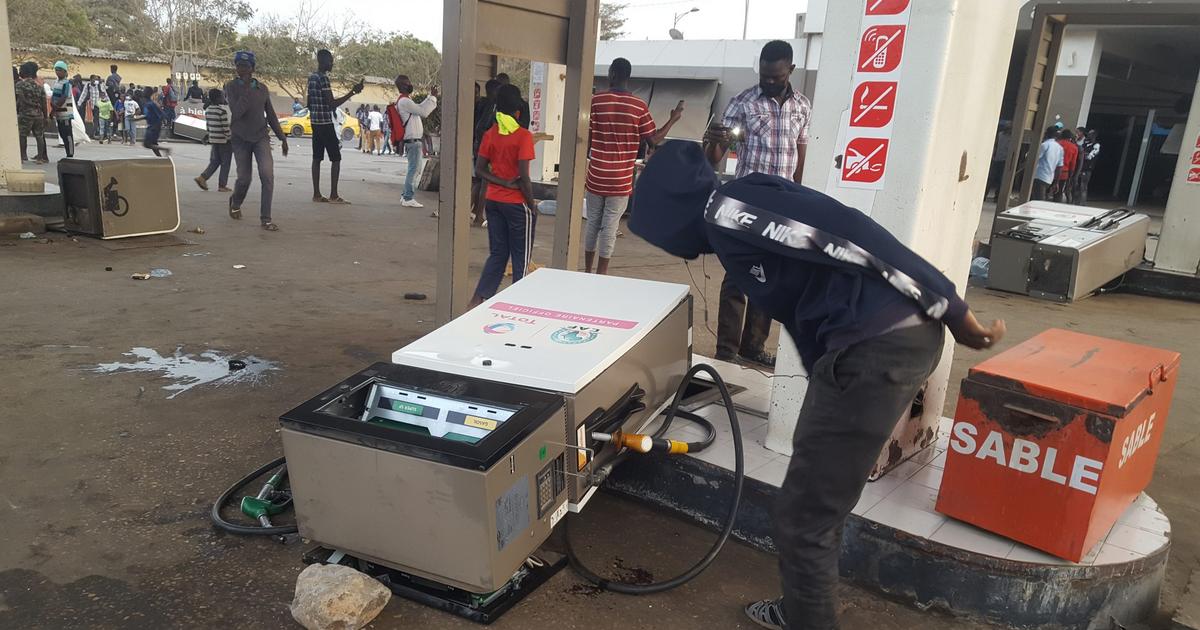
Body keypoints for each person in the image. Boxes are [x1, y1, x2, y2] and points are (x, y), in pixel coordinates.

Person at [629, 140, 1005, 630]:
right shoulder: (727, 234)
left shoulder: (728, 208)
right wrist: (821, 384)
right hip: (862, 354)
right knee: (810, 505)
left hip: (876, 348)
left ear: (668, 211)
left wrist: (952, 307)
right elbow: (801, 315)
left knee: (804, 520)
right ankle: (800, 609)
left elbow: (851, 230)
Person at [703, 40, 812, 369]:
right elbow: (715, 158)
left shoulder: (803, 106)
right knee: (738, 274)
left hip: (783, 205)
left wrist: (799, 195)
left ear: (790, 70)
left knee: (770, 277)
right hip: (747, 204)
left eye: (775, 77)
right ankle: (726, 349)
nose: (768, 82)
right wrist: (714, 141)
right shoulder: (743, 103)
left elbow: (801, 152)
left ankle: (754, 346)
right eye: (764, 76)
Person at [584, 57, 683, 275]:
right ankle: (601, 275)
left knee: (592, 223)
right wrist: (673, 119)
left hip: (596, 175)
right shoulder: (638, 106)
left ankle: (587, 271)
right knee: (610, 226)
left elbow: (587, 137)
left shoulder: (595, 101)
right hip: (620, 179)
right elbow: (653, 140)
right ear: (629, 77)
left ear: (611, 74)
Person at [469, 84, 536, 307]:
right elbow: (524, 177)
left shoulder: (491, 134)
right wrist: (531, 203)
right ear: (518, 112)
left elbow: (479, 170)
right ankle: (518, 304)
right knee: (521, 258)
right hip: (517, 204)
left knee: (498, 254)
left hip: (493, 202)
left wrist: (500, 182)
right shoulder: (523, 136)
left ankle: (478, 298)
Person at [225, 50, 288, 231]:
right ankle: (235, 202)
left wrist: (282, 137)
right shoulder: (231, 87)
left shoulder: (262, 89)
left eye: (245, 66)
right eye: (238, 66)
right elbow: (237, 112)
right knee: (244, 178)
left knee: (267, 175)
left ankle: (266, 219)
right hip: (240, 139)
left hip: (260, 137)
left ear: (253, 68)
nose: (241, 69)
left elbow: (271, 115)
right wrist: (246, 89)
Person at [306, 49, 363, 204]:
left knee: (316, 158)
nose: (332, 63)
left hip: (315, 123)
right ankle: (333, 194)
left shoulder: (311, 78)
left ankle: (316, 194)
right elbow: (332, 103)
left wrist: (317, 111)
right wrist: (352, 92)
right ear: (323, 61)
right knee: (336, 158)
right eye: (330, 61)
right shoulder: (323, 79)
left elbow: (309, 103)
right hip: (325, 123)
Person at [394, 75, 439, 208]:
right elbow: (423, 111)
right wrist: (433, 97)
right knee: (414, 170)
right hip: (413, 142)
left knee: (414, 169)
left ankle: (405, 196)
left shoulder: (405, 101)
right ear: (401, 86)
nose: (410, 85)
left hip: (413, 141)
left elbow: (419, 107)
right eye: (407, 83)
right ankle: (408, 197)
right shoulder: (405, 102)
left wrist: (430, 97)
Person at [195, 88, 233, 192]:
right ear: (217, 98)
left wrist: (208, 136)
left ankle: (202, 178)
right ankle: (222, 185)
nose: (223, 98)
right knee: (226, 163)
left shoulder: (208, 111)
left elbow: (208, 126)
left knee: (215, 161)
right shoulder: (222, 111)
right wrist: (230, 138)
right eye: (222, 96)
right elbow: (225, 128)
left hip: (214, 140)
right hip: (224, 141)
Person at [15, 61, 48, 164]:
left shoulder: (20, 85)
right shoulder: (39, 86)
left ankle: (23, 156)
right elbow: (44, 103)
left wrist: (16, 111)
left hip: (25, 114)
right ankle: (40, 158)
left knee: (22, 135)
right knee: (39, 136)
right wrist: (46, 117)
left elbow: (20, 99)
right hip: (38, 115)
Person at [49, 61, 75, 158]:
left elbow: (63, 97)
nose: (57, 72)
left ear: (64, 71)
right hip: (58, 112)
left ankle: (70, 153)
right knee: (61, 132)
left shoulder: (67, 83)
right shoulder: (56, 82)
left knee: (67, 133)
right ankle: (67, 151)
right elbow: (53, 96)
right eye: (56, 70)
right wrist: (52, 105)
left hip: (65, 112)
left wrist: (54, 109)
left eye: (59, 70)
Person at [1031, 125, 1063, 201]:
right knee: (1039, 198)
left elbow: (1033, 158)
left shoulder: (1045, 145)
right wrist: (1056, 182)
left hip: (1039, 176)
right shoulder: (1059, 148)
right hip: (1049, 178)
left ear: (1046, 134)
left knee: (1038, 200)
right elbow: (1059, 167)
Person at [140, 86, 167, 157]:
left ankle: (166, 149)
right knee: (153, 144)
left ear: (147, 93)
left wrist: (158, 125)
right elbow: (148, 116)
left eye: (144, 91)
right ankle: (160, 158)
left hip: (154, 126)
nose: (143, 92)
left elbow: (161, 114)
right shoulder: (148, 103)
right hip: (152, 126)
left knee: (147, 144)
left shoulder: (151, 104)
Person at [1055, 128, 1079, 203]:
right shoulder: (1074, 148)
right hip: (1064, 173)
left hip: (1051, 171)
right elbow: (1073, 163)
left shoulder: (1056, 144)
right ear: (1070, 137)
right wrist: (1070, 176)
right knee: (1059, 192)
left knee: (1046, 190)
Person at [1076, 129, 1100, 205]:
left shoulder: (1096, 145)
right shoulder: (1085, 144)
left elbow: (1089, 156)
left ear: (1094, 136)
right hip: (1080, 167)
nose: (1088, 135)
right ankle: (1076, 202)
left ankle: (1082, 203)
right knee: (1076, 185)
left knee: (1083, 186)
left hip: (1087, 168)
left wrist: (1083, 154)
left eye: (1090, 134)